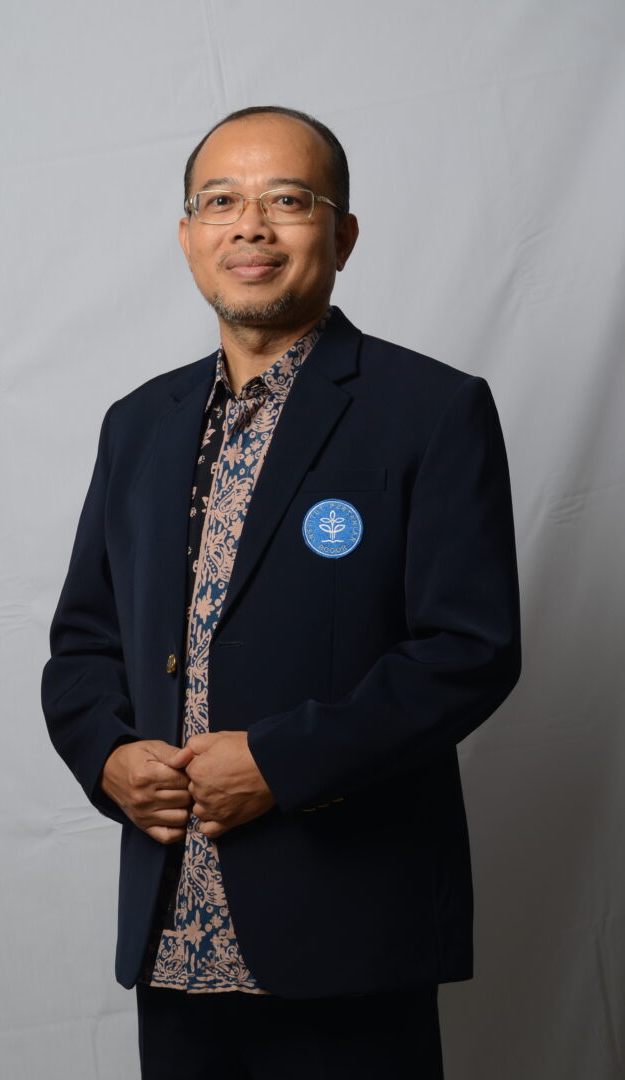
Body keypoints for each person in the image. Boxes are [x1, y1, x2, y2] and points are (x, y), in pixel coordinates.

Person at [41, 105, 521, 1079]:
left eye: (287, 200)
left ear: (341, 234)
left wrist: (279, 762)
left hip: (349, 928)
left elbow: (467, 650)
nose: (249, 225)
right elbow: (83, 643)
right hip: (174, 934)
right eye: (220, 201)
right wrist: (107, 758)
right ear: (188, 237)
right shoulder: (138, 424)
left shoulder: (430, 410)